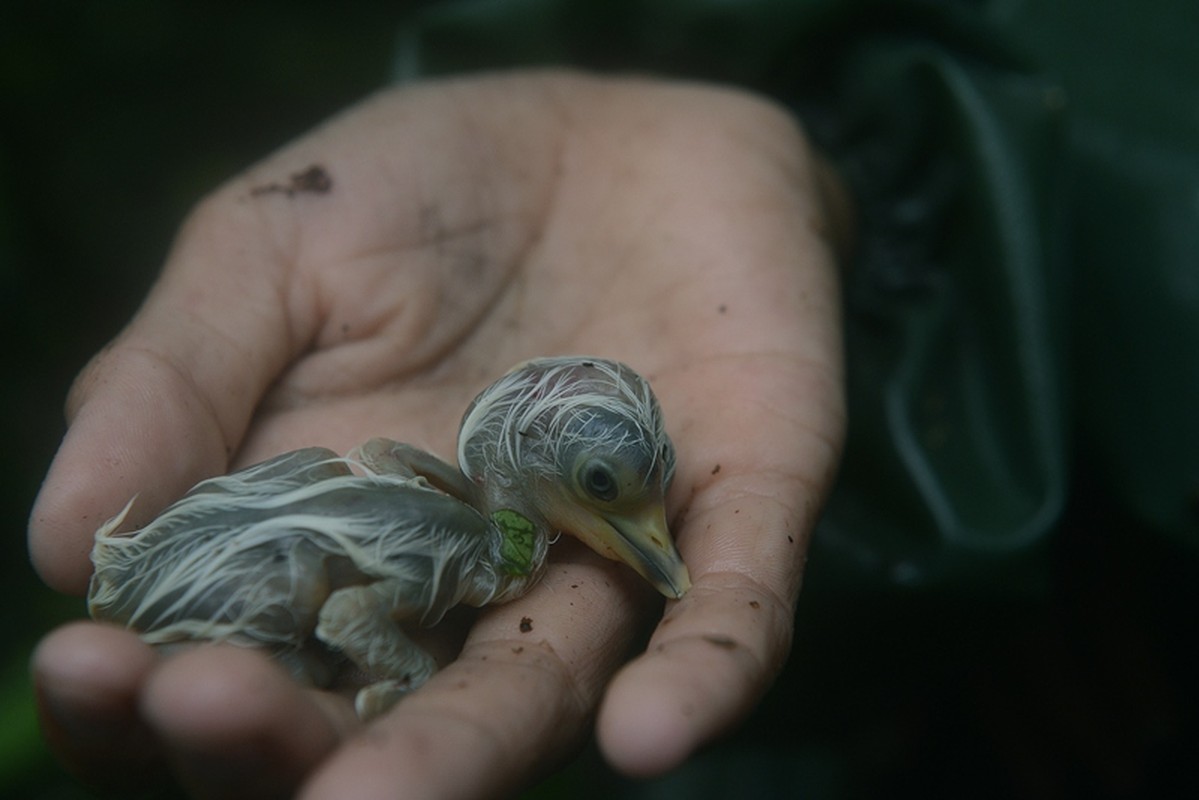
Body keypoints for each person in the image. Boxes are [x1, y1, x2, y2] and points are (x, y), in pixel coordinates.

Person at [28, 71, 849, 798]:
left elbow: (383, 459)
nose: (652, 540)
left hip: (277, 537)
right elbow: (352, 620)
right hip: (228, 586)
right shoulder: (449, 557)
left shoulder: (442, 501)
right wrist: (413, 671)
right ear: (525, 463)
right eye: (605, 489)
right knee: (293, 662)